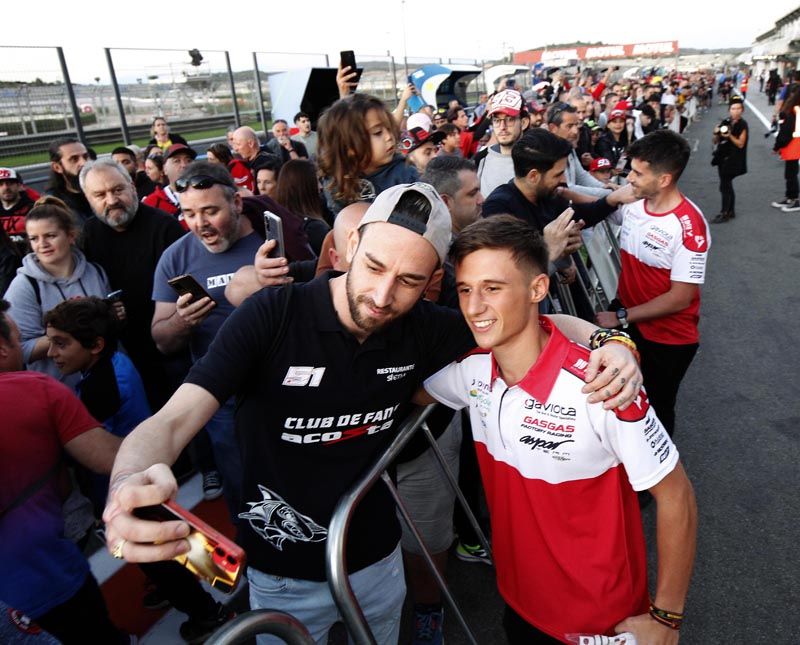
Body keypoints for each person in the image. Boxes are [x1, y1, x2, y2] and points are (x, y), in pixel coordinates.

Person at [102, 183, 642, 645]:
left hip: (376, 558)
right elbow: (172, 421)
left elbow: (536, 324)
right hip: (277, 568)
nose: (383, 295)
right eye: (376, 266)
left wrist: (613, 342)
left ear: (432, 282)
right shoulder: (274, 315)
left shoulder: (427, 327)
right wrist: (127, 481)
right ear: (349, 245)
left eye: (409, 280)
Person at [419, 215, 697, 644]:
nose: (474, 307)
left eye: (492, 288)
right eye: (465, 289)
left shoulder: (603, 385)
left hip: (601, 618)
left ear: (537, 289)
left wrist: (666, 619)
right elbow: (410, 397)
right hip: (518, 600)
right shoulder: (473, 370)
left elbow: (677, 495)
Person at [0, 298, 130, 645]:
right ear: (2, 348)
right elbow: (111, 457)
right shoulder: (37, 390)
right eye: (19, 342)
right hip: (48, 579)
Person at [151, 161, 262, 516]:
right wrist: (182, 321)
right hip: (221, 399)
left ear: (237, 203)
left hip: (280, 387)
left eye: (210, 211)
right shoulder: (176, 257)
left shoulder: (272, 238)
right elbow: (161, 339)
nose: (200, 224)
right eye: (189, 214)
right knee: (241, 487)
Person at [595, 129, 710, 438]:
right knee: (618, 398)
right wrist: (560, 192)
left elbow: (680, 299)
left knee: (656, 409)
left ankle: (656, 480)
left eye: (637, 172)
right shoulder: (635, 202)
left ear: (664, 179)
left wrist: (620, 317)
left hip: (668, 339)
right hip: (628, 319)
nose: (628, 178)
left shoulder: (689, 225)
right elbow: (599, 207)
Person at [79, 159, 186, 411]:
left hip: (169, 349)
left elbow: (186, 287)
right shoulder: (89, 233)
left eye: (117, 190)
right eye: (100, 194)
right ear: (88, 199)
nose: (111, 200)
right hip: (119, 353)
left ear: (132, 188)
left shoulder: (164, 227)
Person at [4, 196, 114, 386]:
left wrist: (113, 316)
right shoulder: (24, 286)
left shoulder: (95, 272)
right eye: (34, 238)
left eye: (50, 236)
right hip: (59, 391)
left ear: (71, 236)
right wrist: (70, 335)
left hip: (106, 381)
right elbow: (19, 349)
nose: (42, 244)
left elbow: (108, 331)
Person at [317, 93, 418, 216]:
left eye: (389, 128)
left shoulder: (405, 174)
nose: (389, 137)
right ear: (349, 147)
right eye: (377, 132)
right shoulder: (337, 182)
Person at [546, 102, 609, 197]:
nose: (575, 131)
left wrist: (605, 187)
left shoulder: (568, 146)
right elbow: (568, 187)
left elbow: (581, 176)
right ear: (553, 128)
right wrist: (609, 194)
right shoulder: (547, 152)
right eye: (569, 126)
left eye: (576, 125)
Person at [475, 90, 530, 196]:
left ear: (523, 123)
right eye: (497, 120)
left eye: (509, 120)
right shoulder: (481, 159)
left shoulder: (538, 158)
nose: (502, 127)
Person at [273, 159, 329, 256]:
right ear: (305, 189)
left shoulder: (279, 223)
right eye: (316, 182)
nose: (320, 187)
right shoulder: (315, 229)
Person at [711, 96, 748, 223]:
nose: (736, 111)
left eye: (738, 108)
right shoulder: (726, 122)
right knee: (726, 185)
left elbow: (740, 144)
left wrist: (729, 135)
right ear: (729, 109)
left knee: (725, 186)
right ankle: (730, 211)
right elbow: (715, 141)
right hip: (722, 158)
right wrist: (715, 132)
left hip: (733, 159)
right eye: (733, 108)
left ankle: (724, 212)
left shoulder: (743, 124)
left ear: (742, 110)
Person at [142, 143, 197, 227]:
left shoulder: (207, 195)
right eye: (177, 161)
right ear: (165, 169)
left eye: (189, 160)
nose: (184, 165)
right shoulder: (151, 204)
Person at [44, 137, 93, 225]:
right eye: (74, 159)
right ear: (57, 167)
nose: (84, 163)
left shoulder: (106, 189)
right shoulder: (53, 204)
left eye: (85, 157)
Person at [771, 88, 800, 212]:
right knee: (791, 172)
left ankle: (795, 199)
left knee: (791, 174)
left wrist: (777, 146)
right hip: (796, 143)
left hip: (791, 145)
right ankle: (790, 197)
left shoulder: (792, 110)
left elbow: (785, 132)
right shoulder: (796, 109)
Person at [0, 167, 37, 255]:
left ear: (20, 186)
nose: (6, 187)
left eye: (10, 183)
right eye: (1, 184)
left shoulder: (34, 209)